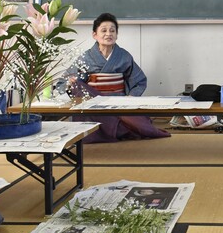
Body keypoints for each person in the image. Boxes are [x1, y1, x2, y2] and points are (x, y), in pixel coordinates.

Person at [61, 13, 170, 143]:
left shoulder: (124, 56)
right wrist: (71, 83)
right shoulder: (85, 58)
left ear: (117, 35)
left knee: (142, 126)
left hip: (118, 103)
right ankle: (115, 127)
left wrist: (131, 98)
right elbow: (65, 81)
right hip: (94, 105)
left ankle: (115, 125)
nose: (109, 34)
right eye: (104, 30)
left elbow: (140, 81)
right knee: (78, 86)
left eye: (112, 30)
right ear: (94, 35)